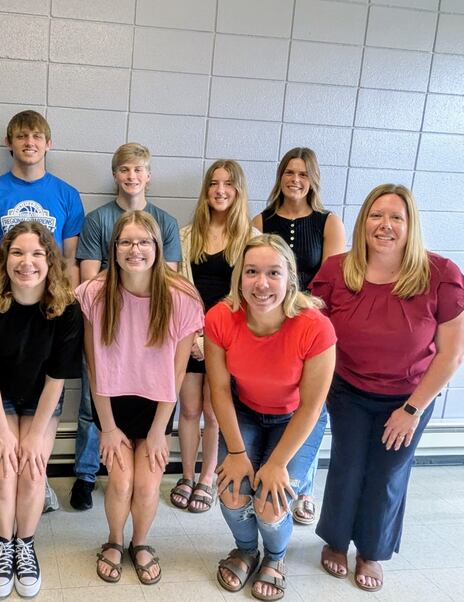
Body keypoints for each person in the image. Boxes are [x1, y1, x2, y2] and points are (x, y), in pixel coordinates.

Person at [313, 184, 464, 593]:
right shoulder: (337, 270)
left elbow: (451, 354)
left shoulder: (440, 275)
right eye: (377, 215)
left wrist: (412, 410)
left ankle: (372, 551)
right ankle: (336, 541)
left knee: (388, 472)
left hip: (410, 395)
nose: (385, 225)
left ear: (411, 225)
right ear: (363, 222)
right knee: (347, 465)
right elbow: (311, 329)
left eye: (397, 217)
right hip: (348, 388)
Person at [206, 234, 336, 601]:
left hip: (296, 417)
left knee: (270, 499)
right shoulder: (220, 317)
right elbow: (219, 390)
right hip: (246, 410)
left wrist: (277, 464)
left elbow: (311, 405)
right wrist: (236, 453)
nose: (261, 284)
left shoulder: (315, 326)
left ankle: (275, 557)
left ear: (290, 279)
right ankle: (246, 550)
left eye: (273, 273)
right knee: (233, 490)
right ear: (239, 278)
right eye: (251, 272)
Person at [77, 211, 202, 586]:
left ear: (158, 248)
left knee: (147, 486)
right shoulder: (95, 293)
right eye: (126, 242)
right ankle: (114, 541)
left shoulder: (181, 297)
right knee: (120, 483)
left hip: (157, 406)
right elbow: (94, 366)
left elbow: (176, 373)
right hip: (111, 402)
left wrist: (160, 429)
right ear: (113, 249)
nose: (135, 249)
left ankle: (140, 542)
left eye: (144, 242)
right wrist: (107, 428)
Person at [0, 109, 85, 513]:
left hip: (46, 316)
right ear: (9, 143)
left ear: (48, 144)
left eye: (36, 136)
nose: (29, 143)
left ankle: (33, 482)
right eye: (21, 136)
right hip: (1, 313)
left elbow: (69, 260)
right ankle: (3, 484)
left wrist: (61, 307)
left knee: (41, 399)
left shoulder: (67, 195)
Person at [0, 221, 82, 598]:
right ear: (4, 258)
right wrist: (1, 432)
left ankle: (24, 545)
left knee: (32, 468)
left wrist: (34, 436)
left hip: (41, 397)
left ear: (50, 260)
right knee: (2, 468)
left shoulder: (66, 307)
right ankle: (3, 544)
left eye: (37, 253)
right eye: (17, 252)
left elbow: (57, 379)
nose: (27, 262)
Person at [71, 142, 181, 511]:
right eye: (124, 169)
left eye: (138, 169)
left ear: (149, 175)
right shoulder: (97, 220)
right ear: (115, 175)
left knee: (148, 398)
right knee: (92, 401)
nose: (131, 176)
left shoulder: (165, 222)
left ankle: (135, 469)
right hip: (107, 324)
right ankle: (86, 474)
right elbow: (89, 279)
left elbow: (169, 280)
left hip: (149, 329)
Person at [252, 147, 345, 526]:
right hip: (268, 325)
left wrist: (298, 311)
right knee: (280, 397)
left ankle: (305, 488)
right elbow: (253, 273)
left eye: (303, 174)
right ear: (281, 177)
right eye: (290, 172)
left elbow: (330, 279)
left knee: (312, 403)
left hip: (309, 323)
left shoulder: (328, 222)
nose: (295, 180)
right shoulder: (261, 220)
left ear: (312, 180)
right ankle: (272, 468)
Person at [173, 160, 255, 514]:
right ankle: (186, 475)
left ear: (238, 190)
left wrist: (214, 337)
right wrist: (194, 336)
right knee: (189, 408)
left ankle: (207, 478)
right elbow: (177, 289)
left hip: (227, 338)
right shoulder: (186, 235)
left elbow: (251, 296)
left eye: (228, 184)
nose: (220, 190)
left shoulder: (250, 238)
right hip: (190, 335)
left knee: (214, 410)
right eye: (213, 183)